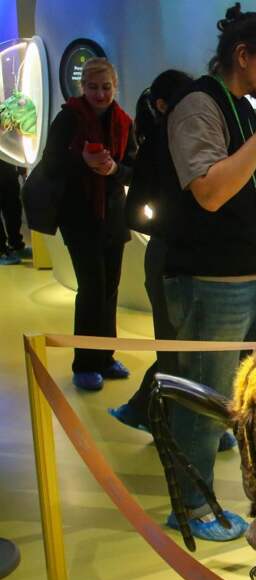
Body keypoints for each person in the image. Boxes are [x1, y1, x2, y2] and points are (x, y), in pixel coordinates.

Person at [161, 4, 256, 541]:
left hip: (255, 272)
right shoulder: (198, 104)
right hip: (211, 278)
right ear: (242, 55)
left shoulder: (238, 105)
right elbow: (211, 192)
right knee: (204, 397)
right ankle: (190, 505)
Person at [109, 70, 202, 436]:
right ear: (163, 106)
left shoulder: (192, 141)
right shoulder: (158, 146)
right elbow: (136, 213)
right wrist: (176, 225)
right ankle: (151, 413)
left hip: (191, 260)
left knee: (191, 348)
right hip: (168, 260)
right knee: (174, 349)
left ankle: (157, 413)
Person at [40, 57, 137, 391]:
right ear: (82, 87)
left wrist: (114, 170)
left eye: (106, 87)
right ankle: (84, 363)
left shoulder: (124, 122)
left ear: (115, 87)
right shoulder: (68, 118)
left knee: (109, 289)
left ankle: (105, 357)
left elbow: (133, 169)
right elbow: (50, 165)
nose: (100, 94)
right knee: (92, 290)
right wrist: (81, 161)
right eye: (93, 87)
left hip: (113, 217)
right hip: (79, 218)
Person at [0, 161, 28, 264]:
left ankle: (16, 244)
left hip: (8, 167)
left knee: (14, 208)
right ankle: (1, 250)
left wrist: (22, 168)